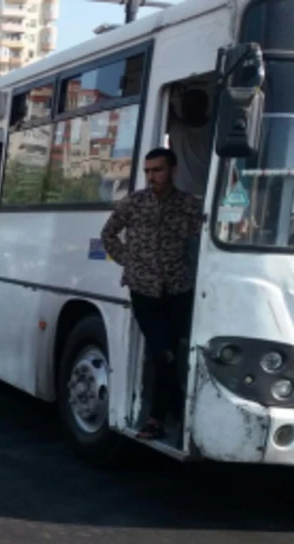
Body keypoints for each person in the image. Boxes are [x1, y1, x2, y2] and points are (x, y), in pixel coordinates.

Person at [100, 147, 203, 441]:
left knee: (170, 354)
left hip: (178, 289)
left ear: (172, 171)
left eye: (157, 170)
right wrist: (129, 261)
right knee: (163, 352)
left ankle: (168, 412)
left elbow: (200, 241)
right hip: (144, 290)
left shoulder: (188, 205)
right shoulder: (134, 203)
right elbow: (108, 234)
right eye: (147, 171)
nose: (151, 176)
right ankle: (161, 415)